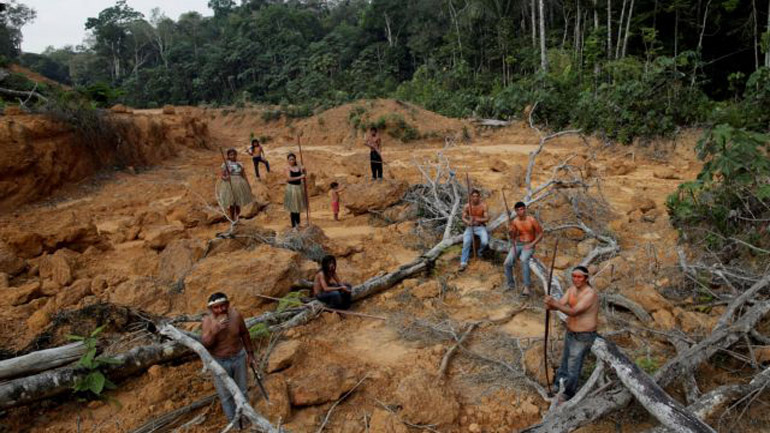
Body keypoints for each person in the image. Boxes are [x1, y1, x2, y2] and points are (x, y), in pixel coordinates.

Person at [201, 292, 259, 424]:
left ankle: (246, 419)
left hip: (239, 357)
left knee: (242, 390)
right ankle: (234, 423)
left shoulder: (236, 315)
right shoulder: (208, 321)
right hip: (219, 361)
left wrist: (250, 354)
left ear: (228, 304)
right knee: (226, 395)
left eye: (223, 306)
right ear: (211, 309)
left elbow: (245, 334)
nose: (220, 309)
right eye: (216, 307)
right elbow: (206, 344)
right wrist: (215, 331)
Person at [544, 265, 600, 403]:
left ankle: (568, 393)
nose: (576, 279)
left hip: (583, 336)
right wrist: (550, 304)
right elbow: (560, 304)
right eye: (574, 276)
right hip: (570, 332)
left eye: (579, 277)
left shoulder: (590, 294)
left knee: (573, 366)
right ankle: (558, 384)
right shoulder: (571, 290)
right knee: (565, 361)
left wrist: (554, 304)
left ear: (586, 278)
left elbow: (574, 312)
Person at [504, 201, 544, 296]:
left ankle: (527, 287)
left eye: (522, 209)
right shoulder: (515, 221)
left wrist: (532, 244)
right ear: (516, 211)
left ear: (525, 209)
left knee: (524, 259)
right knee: (507, 263)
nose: (520, 211)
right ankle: (510, 284)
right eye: (518, 210)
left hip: (529, 244)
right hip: (518, 244)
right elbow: (513, 237)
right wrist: (510, 231)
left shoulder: (532, 220)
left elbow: (541, 233)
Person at [216, 148, 254, 222]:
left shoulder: (240, 164)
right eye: (231, 155)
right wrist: (226, 178)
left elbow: (244, 175)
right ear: (228, 156)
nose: (232, 156)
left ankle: (237, 218)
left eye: (234, 154)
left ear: (236, 155)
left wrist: (248, 184)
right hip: (229, 183)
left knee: (238, 202)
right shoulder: (225, 164)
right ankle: (232, 218)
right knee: (231, 202)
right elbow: (222, 175)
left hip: (239, 182)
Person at [459, 189, 489, 271]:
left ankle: (479, 252)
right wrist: (468, 222)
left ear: (479, 197)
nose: (475, 198)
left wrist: (477, 219)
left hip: (480, 227)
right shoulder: (467, 206)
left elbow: (487, 218)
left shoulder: (483, 206)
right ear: (471, 197)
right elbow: (463, 217)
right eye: (473, 196)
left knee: (485, 242)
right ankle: (463, 262)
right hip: (470, 228)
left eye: (477, 196)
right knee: (466, 242)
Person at [284, 153, 307, 228]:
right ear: (288, 160)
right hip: (292, 189)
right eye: (290, 159)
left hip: (298, 188)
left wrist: (304, 170)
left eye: (293, 159)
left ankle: (298, 224)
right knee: (293, 208)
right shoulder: (287, 168)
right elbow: (289, 179)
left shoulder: (298, 167)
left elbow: (304, 175)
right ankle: (294, 226)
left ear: (295, 159)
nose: (292, 161)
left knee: (298, 207)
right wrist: (300, 177)